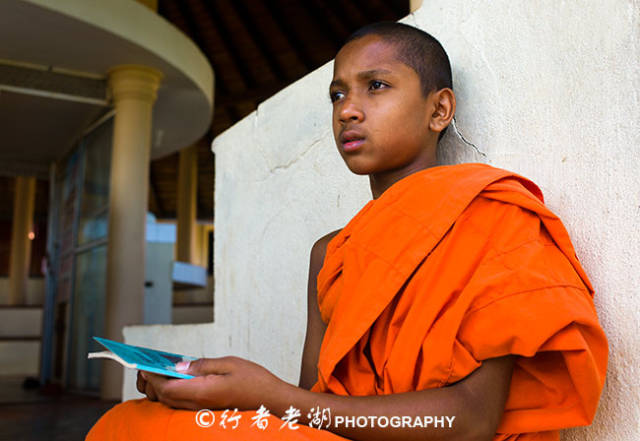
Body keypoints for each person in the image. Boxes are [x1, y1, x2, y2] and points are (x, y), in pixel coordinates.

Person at [86, 22, 608, 441]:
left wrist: (267, 396)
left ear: (439, 109)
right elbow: (315, 401)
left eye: (376, 86)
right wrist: (216, 390)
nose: (348, 110)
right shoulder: (331, 252)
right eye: (337, 95)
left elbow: (471, 421)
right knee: (132, 422)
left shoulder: (494, 219)